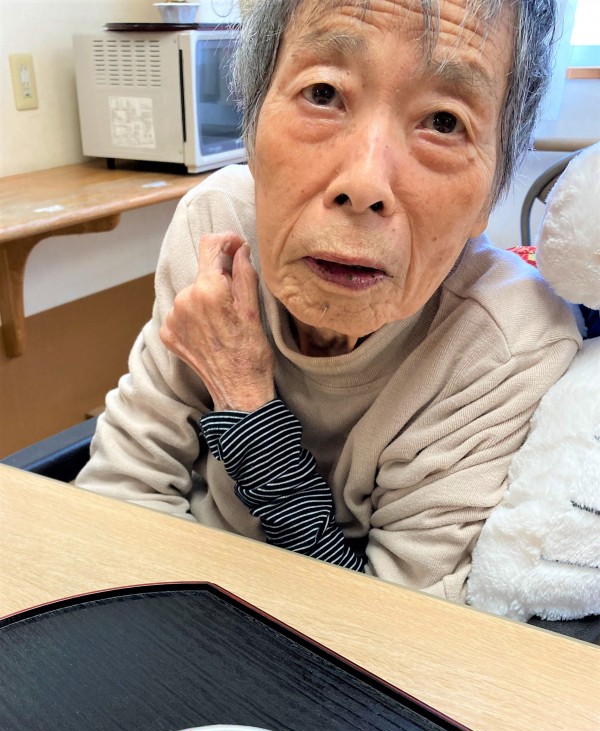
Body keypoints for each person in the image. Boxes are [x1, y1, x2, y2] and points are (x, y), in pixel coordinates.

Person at [76, 0, 581, 603]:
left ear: (490, 196)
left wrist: (246, 401)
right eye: (323, 93)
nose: (364, 184)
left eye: (445, 122)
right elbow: (118, 498)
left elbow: (382, 627)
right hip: (171, 595)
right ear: (252, 133)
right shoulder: (217, 226)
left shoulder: (505, 346)